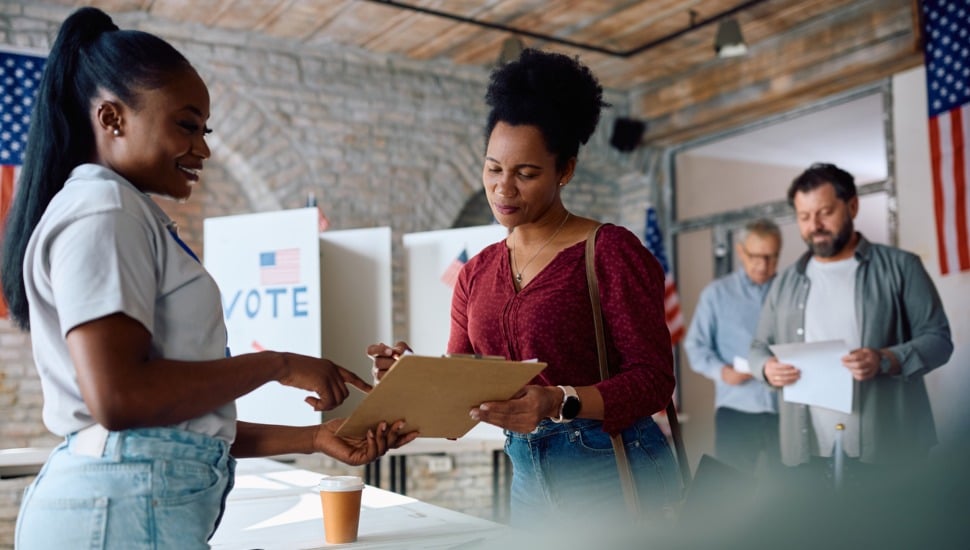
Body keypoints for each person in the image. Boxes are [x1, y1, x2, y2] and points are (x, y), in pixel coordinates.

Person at [0, 8, 416, 548]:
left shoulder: (120, 210)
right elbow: (121, 399)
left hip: (124, 504)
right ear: (112, 118)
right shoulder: (105, 209)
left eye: (205, 130)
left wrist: (315, 438)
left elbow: (174, 423)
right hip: (121, 511)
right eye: (186, 125)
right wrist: (278, 364)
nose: (202, 148)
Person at [369, 48, 682, 524]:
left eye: (526, 173)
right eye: (493, 169)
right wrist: (414, 379)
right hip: (526, 476)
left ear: (566, 170)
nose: (503, 189)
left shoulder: (610, 251)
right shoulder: (476, 272)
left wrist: (559, 401)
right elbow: (466, 377)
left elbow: (654, 381)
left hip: (611, 470)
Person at [749, 162, 952, 489]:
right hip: (807, 452)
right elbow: (758, 347)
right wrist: (766, 368)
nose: (814, 225)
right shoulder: (785, 282)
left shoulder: (902, 267)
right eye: (803, 217)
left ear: (852, 205)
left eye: (825, 212)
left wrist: (885, 358)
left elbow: (939, 340)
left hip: (890, 448)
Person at [685, 218, 782, 475]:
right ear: (741, 251)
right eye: (756, 256)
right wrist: (722, 372)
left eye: (772, 257)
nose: (763, 265)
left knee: (789, 491)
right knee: (732, 490)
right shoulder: (716, 294)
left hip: (786, 410)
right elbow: (695, 346)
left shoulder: (788, 291)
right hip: (737, 410)